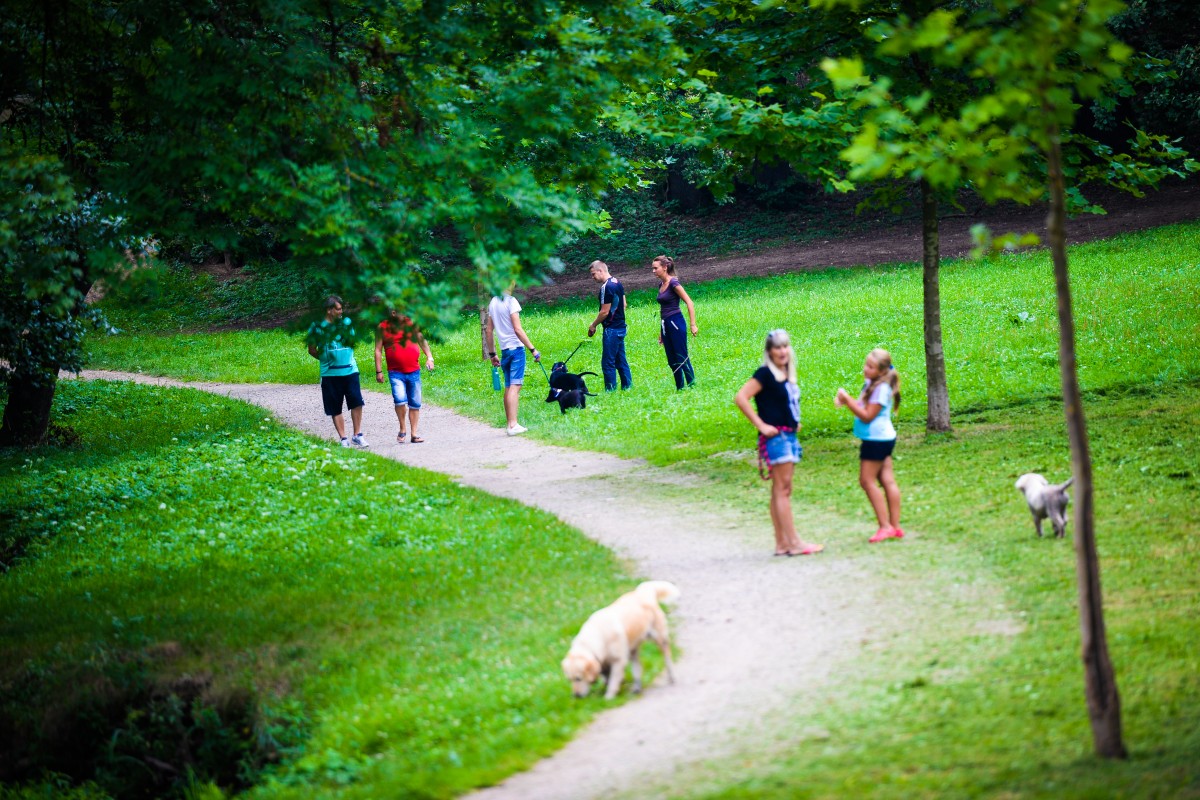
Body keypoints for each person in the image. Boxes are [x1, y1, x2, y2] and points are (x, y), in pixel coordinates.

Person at [734, 329, 824, 557]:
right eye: (777, 347)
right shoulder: (764, 374)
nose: (782, 351)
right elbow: (741, 398)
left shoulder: (785, 373)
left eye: (785, 346)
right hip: (777, 439)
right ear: (769, 351)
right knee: (783, 490)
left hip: (789, 436)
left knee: (780, 490)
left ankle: (781, 543)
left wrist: (794, 422)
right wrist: (761, 425)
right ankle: (794, 542)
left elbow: (784, 404)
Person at [835, 348, 903, 543]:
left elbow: (867, 416)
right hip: (882, 438)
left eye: (870, 367)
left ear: (882, 371)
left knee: (866, 481)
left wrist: (848, 400)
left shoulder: (882, 389)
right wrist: (846, 401)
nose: (865, 369)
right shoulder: (872, 383)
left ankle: (885, 526)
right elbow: (863, 405)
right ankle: (895, 527)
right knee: (887, 480)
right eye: (866, 364)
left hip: (876, 441)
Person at [306, 295, 369, 448]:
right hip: (330, 374)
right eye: (338, 309)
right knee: (335, 406)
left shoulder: (347, 323)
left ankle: (357, 435)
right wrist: (326, 360)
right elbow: (312, 349)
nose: (341, 312)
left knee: (356, 402)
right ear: (329, 310)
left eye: (341, 309)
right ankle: (343, 439)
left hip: (350, 370)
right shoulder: (316, 327)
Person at [485, 288, 541, 436]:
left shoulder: (493, 301)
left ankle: (509, 423)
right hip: (516, 349)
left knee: (509, 386)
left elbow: (489, 331)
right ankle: (513, 425)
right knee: (515, 387)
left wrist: (492, 353)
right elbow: (517, 329)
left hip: (504, 351)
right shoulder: (511, 301)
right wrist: (533, 349)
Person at [374, 308, 435, 444]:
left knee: (415, 403)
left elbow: (421, 339)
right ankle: (402, 428)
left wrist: (430, 358)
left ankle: (414, 434)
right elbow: (378, 350)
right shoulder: (382, 327)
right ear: (394, 313)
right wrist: (379, 371)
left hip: (414, 371)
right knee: (400, 400)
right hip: (396, 372)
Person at [652, 255, 698, 389]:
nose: (653, 271)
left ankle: (691, 384)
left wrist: (693, 324)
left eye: (656, 268)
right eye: (652, 268)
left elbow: (689, 302)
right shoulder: (661, 284)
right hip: (666, 324)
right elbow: (663, 310)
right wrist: (662, 331)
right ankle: (680, 387)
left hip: (676, 322)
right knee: (672, 360)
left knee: (681, 356)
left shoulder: (674, 283)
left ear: (665, 267)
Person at [586, 259, 632, 391]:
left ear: (601, 270)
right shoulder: (617, 282)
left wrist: (593, 325)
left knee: (608, 363)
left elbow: (604, 312)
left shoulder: (606, 287)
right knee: (620, 360)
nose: (593, 277)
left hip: (611, 329)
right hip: (621, 327)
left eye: (593, 274)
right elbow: (624, 304)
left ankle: (610, 390)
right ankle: (627, 387)